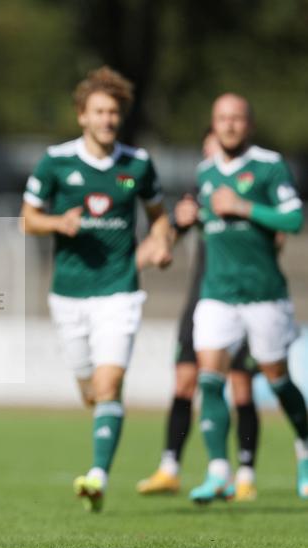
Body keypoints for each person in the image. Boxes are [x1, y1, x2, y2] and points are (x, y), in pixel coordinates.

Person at [21, 66, 172, 512]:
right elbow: (27, 219)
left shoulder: (138, 164)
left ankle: (98, 476)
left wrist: (159, 242)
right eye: (99, 111)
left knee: (109, 383)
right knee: (92, 391)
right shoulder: (56, 162)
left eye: (114, 112)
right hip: (68, 294)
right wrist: (57, 223)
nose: (107, 119)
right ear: (82, 116)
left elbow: (160, 215)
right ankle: (106, 411)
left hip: (120, 290)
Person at [188, 93, 307, 503]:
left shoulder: (269, 166)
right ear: (213, 123)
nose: (229, 125)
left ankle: (305, 446)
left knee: (277, 380)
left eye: (237, 118)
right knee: (209, 378)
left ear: (249, 124)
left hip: (264, 294)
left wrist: (243, 206)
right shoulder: (204, 172)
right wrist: (186, 221)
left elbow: (294, 218)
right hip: (217, 293)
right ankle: (219, 470)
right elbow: (207, 222)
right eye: (222, 118)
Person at [138, 131, 263, 502]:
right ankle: (170, 467)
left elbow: (277, 237)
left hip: (244, 300)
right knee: (184, 382)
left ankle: (245, 473)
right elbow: (171, 234)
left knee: (240, 385)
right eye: (206, 151)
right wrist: (159, 247)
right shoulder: (200, 194)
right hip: (201, 300)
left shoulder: (248, 190)